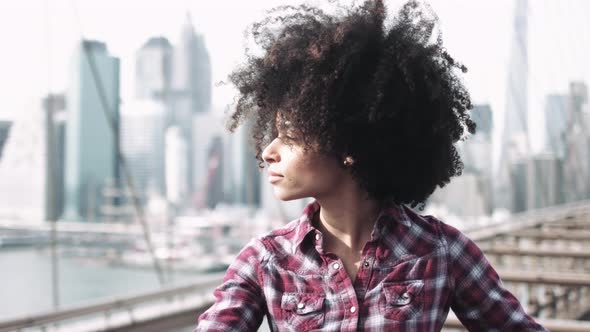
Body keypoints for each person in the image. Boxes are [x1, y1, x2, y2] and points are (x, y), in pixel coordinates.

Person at [195, 0, 547, 331]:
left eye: (289, 135)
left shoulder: (442, 250)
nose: (269, 152)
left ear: (348, 146)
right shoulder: (264, 260)